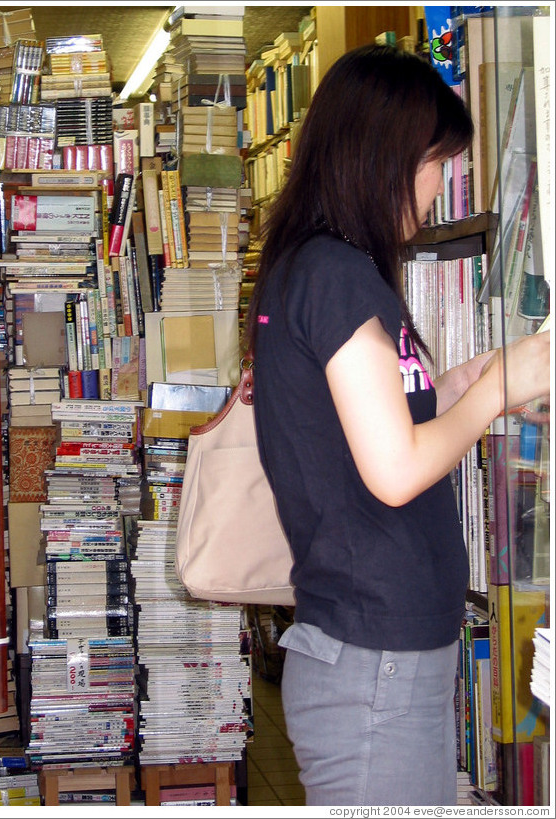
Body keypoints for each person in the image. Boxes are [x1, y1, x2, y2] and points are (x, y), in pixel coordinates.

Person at [244, 45, 551, 806]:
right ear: (384, 156)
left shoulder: (318, 268)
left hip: (371, 655)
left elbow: (383, 412)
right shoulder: (337, 274)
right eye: (435, 162)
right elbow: (395, 467)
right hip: (372, 659)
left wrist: (470, 380)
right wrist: (494, 393)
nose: (440, 186)